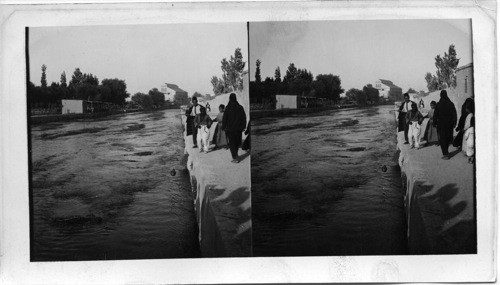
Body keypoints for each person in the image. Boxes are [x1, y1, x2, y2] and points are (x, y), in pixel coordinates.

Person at [222, 93, 247, 163]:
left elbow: (225, 119)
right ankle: (236, 155)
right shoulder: (240, 107)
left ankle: (235, 157)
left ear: (230, 99)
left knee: (232, 143)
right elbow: (244, 118)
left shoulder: (228, 108)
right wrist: (243, 126)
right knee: (236, 142)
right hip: (238, 129)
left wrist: (223, 127)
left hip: (230, 129)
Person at [433, 90, 457, 160]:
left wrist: (434, 123)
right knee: (448, 138)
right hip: (449, 125)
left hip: (441, 125)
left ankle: (445, 154)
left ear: (440, 95)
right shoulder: (451, 104)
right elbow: (454, 114)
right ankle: (446, 152)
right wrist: (454, 123)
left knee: (442, 139)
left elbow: (435, 115)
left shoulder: (438, 104)